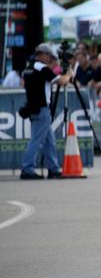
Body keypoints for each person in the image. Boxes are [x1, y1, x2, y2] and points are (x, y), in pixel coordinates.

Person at [20, 44, 72, 180]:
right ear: (42, 54)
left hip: (33, 108)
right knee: (36, 141)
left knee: (50, 141)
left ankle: (53, 168)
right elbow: (62, 81)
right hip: (42, 108)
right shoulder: (42, 68)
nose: (50, 59)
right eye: (49, 56)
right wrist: (69, 74)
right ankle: (27, 169)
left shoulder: (28, 68)